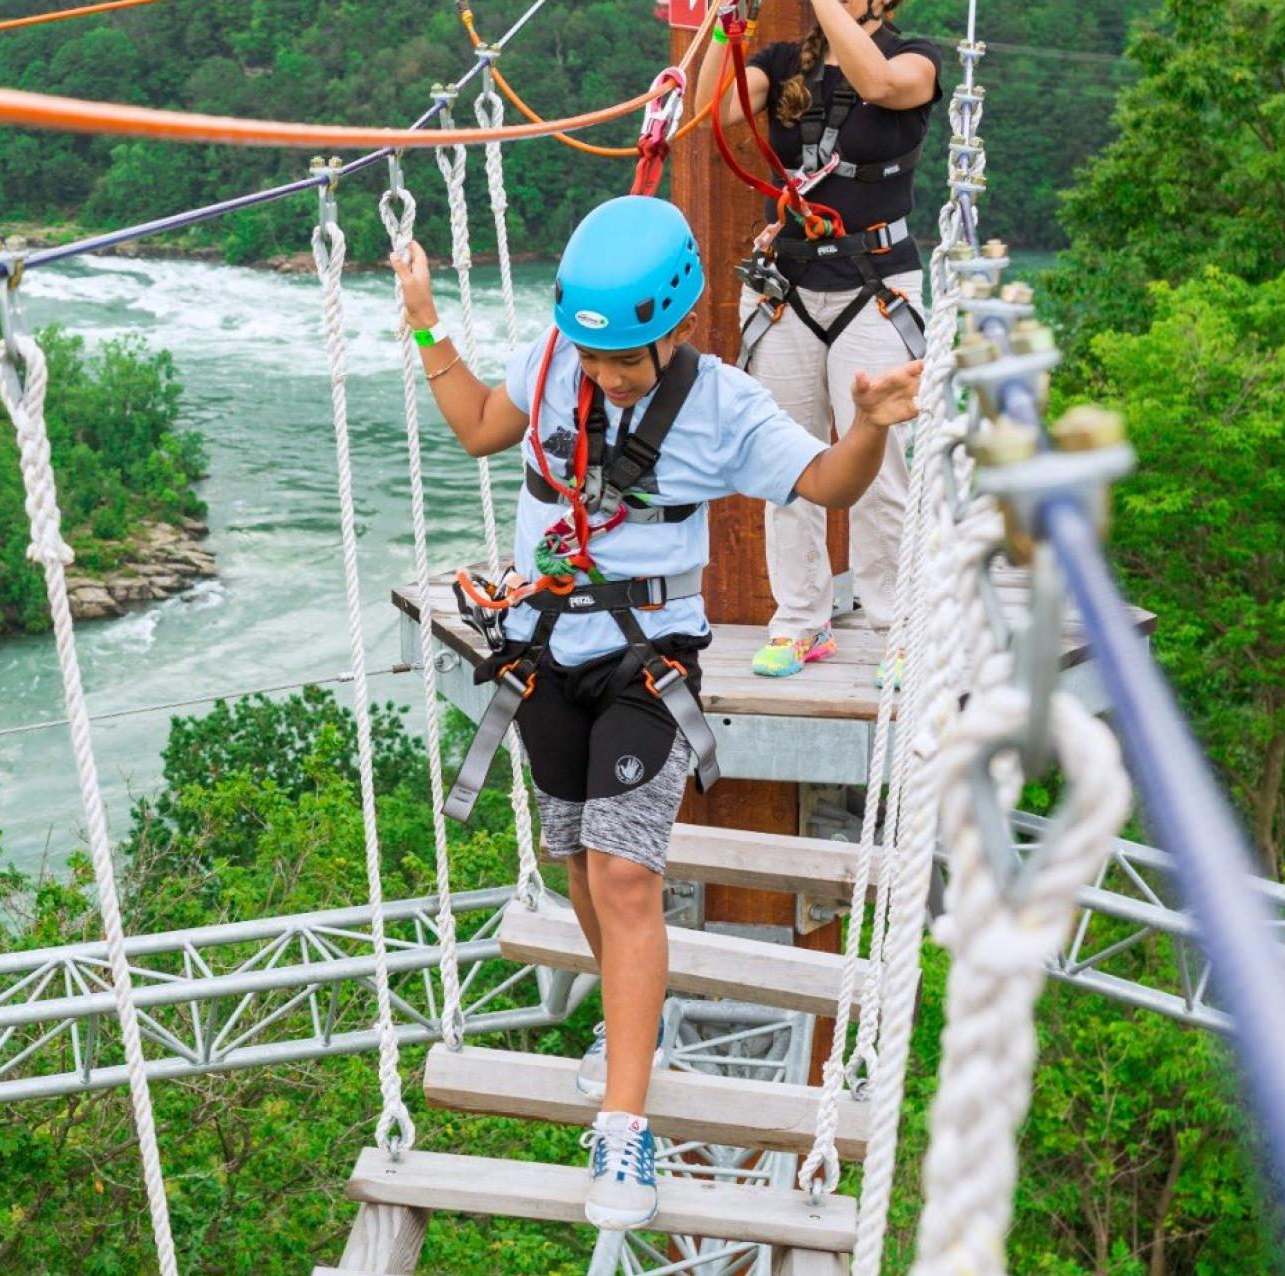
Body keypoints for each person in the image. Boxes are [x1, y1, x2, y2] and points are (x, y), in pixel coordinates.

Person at [392, 196, 921, 1227]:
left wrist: (866, 423)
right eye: (594, 358)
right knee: (578, 862)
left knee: (627, 874)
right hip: (543, 651)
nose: (605, 376)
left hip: (647, 660)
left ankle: (624, 1129)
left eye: (625, 360)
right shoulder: (555, 360)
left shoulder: (722, 406)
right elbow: (479, 428)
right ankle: (633, 1020)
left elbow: (827, 485)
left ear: (674, 326)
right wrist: (424, 323)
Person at [720, 0, 944, 681]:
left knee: (881, 467)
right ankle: (800, 620)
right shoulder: (784, 62)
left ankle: (898, 628)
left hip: (874, 283)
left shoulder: (916, 59)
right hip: (788, 284)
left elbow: (877, 83)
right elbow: (717, 111)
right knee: (786, 464)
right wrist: (722, 24)